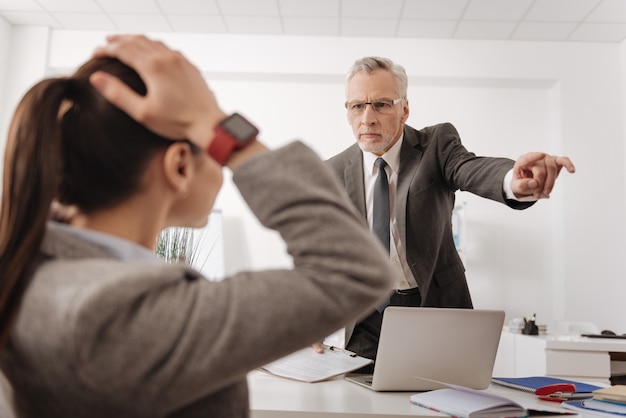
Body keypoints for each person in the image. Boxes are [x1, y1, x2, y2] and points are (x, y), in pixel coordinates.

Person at [0, 36, 395, 418]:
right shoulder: (121, 313)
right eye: (215, 147)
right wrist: (211, 120)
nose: (221, 157)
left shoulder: (34, 269)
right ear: (180, 166)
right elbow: (356, 271)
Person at [323, 56, 576, 365]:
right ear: (347, 111)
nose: (368, 118)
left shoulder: (436, 146)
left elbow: (470, 168)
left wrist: (513, 180)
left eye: (381, 104)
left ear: (404, 109)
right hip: (365, 321)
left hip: (434, 308)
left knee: (443, 399)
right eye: (357, 106)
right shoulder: (332, 172)